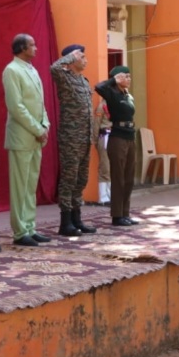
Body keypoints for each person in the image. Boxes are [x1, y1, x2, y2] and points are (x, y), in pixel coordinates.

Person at [3, 33, 52, 246]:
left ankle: (30, 227)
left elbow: (39, 103)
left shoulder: (32, 69)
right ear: (22, 48)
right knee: (20, 187)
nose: (36, 48)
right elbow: (16, 106)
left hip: (35, 135)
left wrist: (45, 125)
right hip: (22, 136)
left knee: (31, 184)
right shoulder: (12, 70)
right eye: (32, 45)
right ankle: (20, 231)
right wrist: (37, 128)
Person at [51, 44, 97, 237]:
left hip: (85, 137)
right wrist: (69, 56)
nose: (85, 60)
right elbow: (54, 68)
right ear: (71, 59)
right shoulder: (65, 78)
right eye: (81, 56)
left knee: (81, 179)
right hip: (70, 137)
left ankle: (77, 219)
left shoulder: (84, 81)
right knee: (69, 179)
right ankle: (65, 222)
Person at [95, 66, 138, 226]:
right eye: (125, 76)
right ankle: (117, 215)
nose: (128, 79)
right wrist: (113, 80)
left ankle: (125, 213)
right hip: (117, 137)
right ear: (117, 78)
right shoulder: (112, 94)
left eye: (129, 76)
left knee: (128, 178)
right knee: (118, 177)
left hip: (130, 136)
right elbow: (99, 87)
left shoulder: (128, 96)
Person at [93, 99, 112, 206]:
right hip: (105, 136)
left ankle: (112, 195)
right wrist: (96, 140)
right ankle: (104, 197)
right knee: (105, 167)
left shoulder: (116, 104)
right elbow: (96, 124)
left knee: (114, 168)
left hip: (115, 137)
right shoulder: (102, 106)